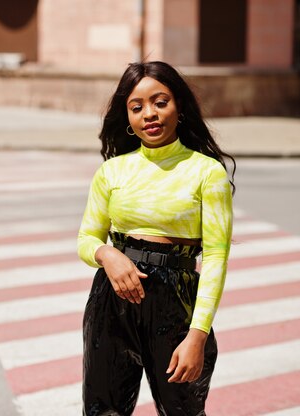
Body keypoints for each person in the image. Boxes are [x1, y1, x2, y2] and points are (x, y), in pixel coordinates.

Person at [77, 61, 235, 415]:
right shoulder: (112, 171)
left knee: (183, 412)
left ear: (179, 108)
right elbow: (86, 238)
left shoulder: (206, 172)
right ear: (128, 118)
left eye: (160, 102)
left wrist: (197, 335)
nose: (149, 114)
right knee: (103, 411)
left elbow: (215, 258)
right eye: (137, 107)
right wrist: (107, 254)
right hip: (111, 301)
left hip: (176, 305)